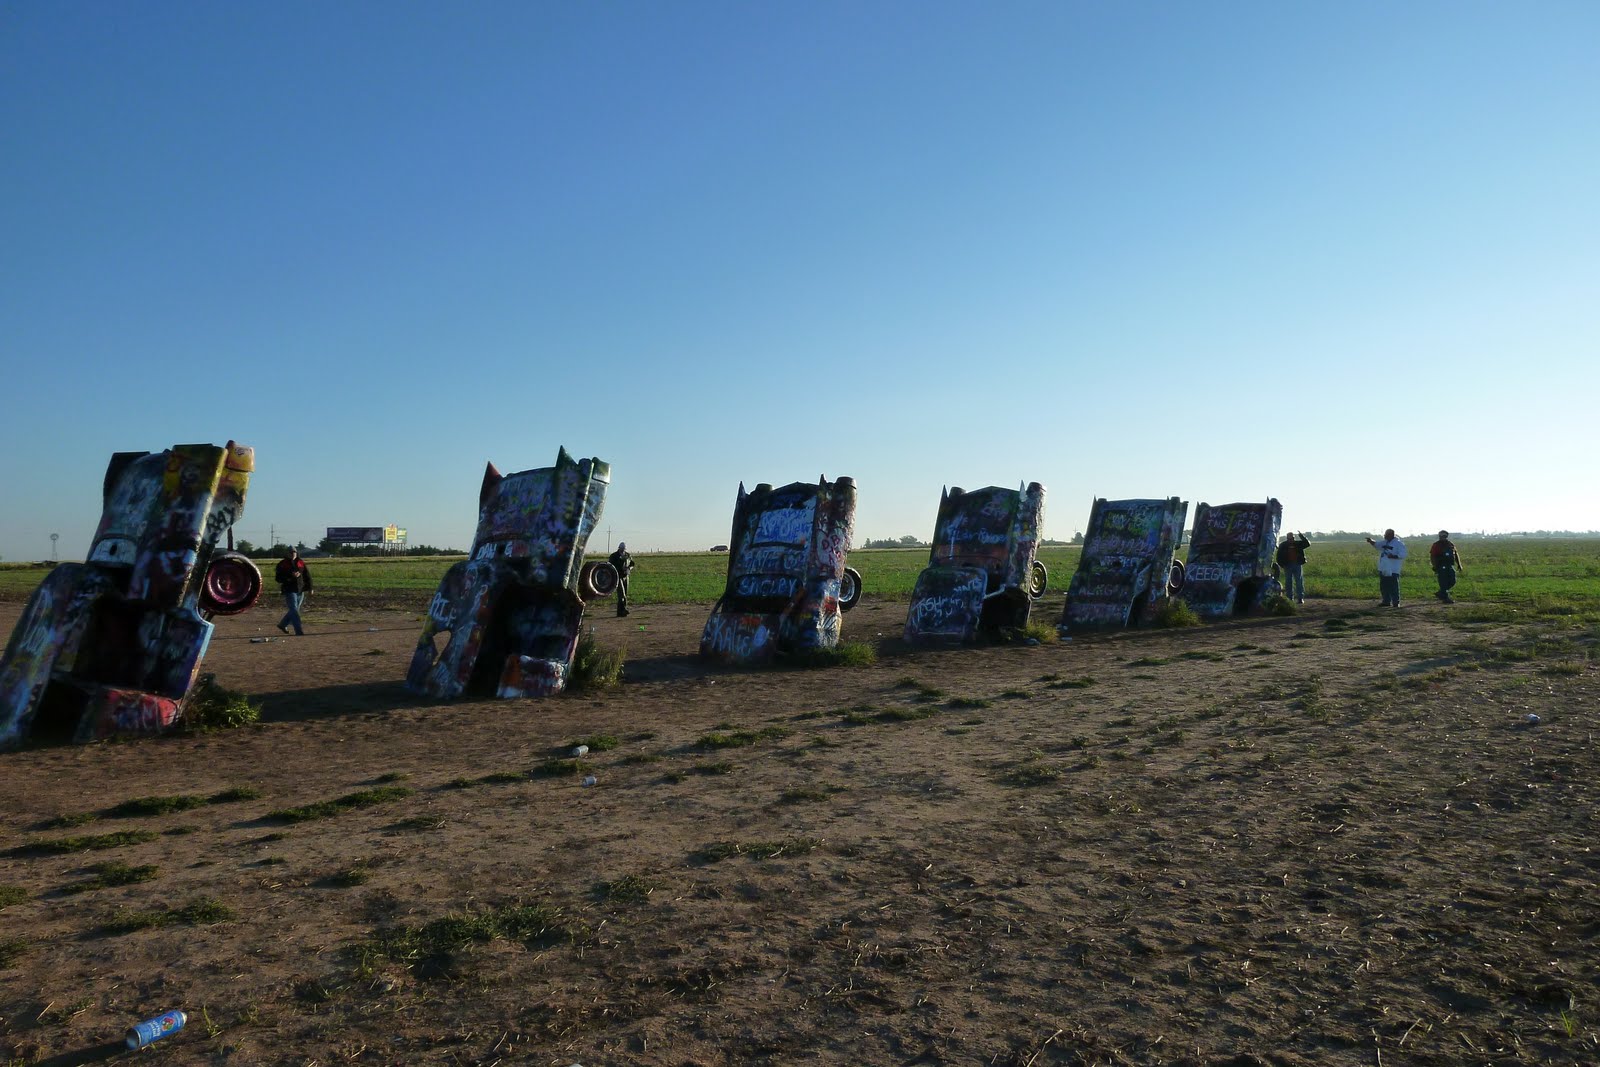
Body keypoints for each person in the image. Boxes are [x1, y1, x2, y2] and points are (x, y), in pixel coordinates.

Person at [1364, 529, 1407, 607]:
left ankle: (1396, 602)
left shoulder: (1399, 544)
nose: (1384, 535)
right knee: (1384, 586)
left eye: (1386, 534)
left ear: (1391, 535)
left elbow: (1403, 554)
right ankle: (1386, 601)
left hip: (1393, 569)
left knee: (1393, 586)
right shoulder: (1384, 542)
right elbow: (1377, 544)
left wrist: (1394, 556)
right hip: (1383, 568)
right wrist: (1370, 541)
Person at [274, 547, 312, 635]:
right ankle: (298, 631)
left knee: (294, 610)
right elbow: (278, 578)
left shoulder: (300, 562)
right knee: (294, 610)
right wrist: (291, 576)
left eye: (294, 552)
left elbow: (307, 576)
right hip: (289, 589)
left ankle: (283, 624)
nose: (293, 553)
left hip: (300, 589)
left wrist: (310, 588)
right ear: (287, 553)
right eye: (291, 552)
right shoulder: (282, 564)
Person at [1275, 531, 1311, 604]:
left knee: (1299, 582)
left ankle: (1300, 598)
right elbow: (1278, 556)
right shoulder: (1283, 545)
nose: (1291, 540)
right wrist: (1282, 565)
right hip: (1287, 565)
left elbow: (1307, 544)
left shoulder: (1298, 544)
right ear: (1287, 538)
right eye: (1289, 538)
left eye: (1292, 538)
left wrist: (1301, 535)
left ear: (1294, 538)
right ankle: (1289, 599)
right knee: (1288, 582)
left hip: (1297, 564)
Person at [1430, 530, 1465, 603]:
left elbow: (1455, 554)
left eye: (1444, 536)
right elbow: (1432, 556)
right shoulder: (1436, 545)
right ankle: (1445, 598)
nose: (1443, 537)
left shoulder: (1450, 544)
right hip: (1441, 566)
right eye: (1441, 536)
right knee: (1443, 582)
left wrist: (1459, 565)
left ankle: (1441, 593)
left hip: (1450, 565)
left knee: (1453, 581)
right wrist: (1435, 566)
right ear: (1439, 536)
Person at [608, 541, 635, 617]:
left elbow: (632, 564)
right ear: (619, 548)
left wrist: (629, 568)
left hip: (626, 576)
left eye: (624, 548)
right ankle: (622, 610)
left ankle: (621, 611)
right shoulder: (613, 556)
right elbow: (610, 566)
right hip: (618, 576)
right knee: (621, 595)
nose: (623, 550)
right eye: (621, 548)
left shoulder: (628, 555)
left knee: (625, 595)